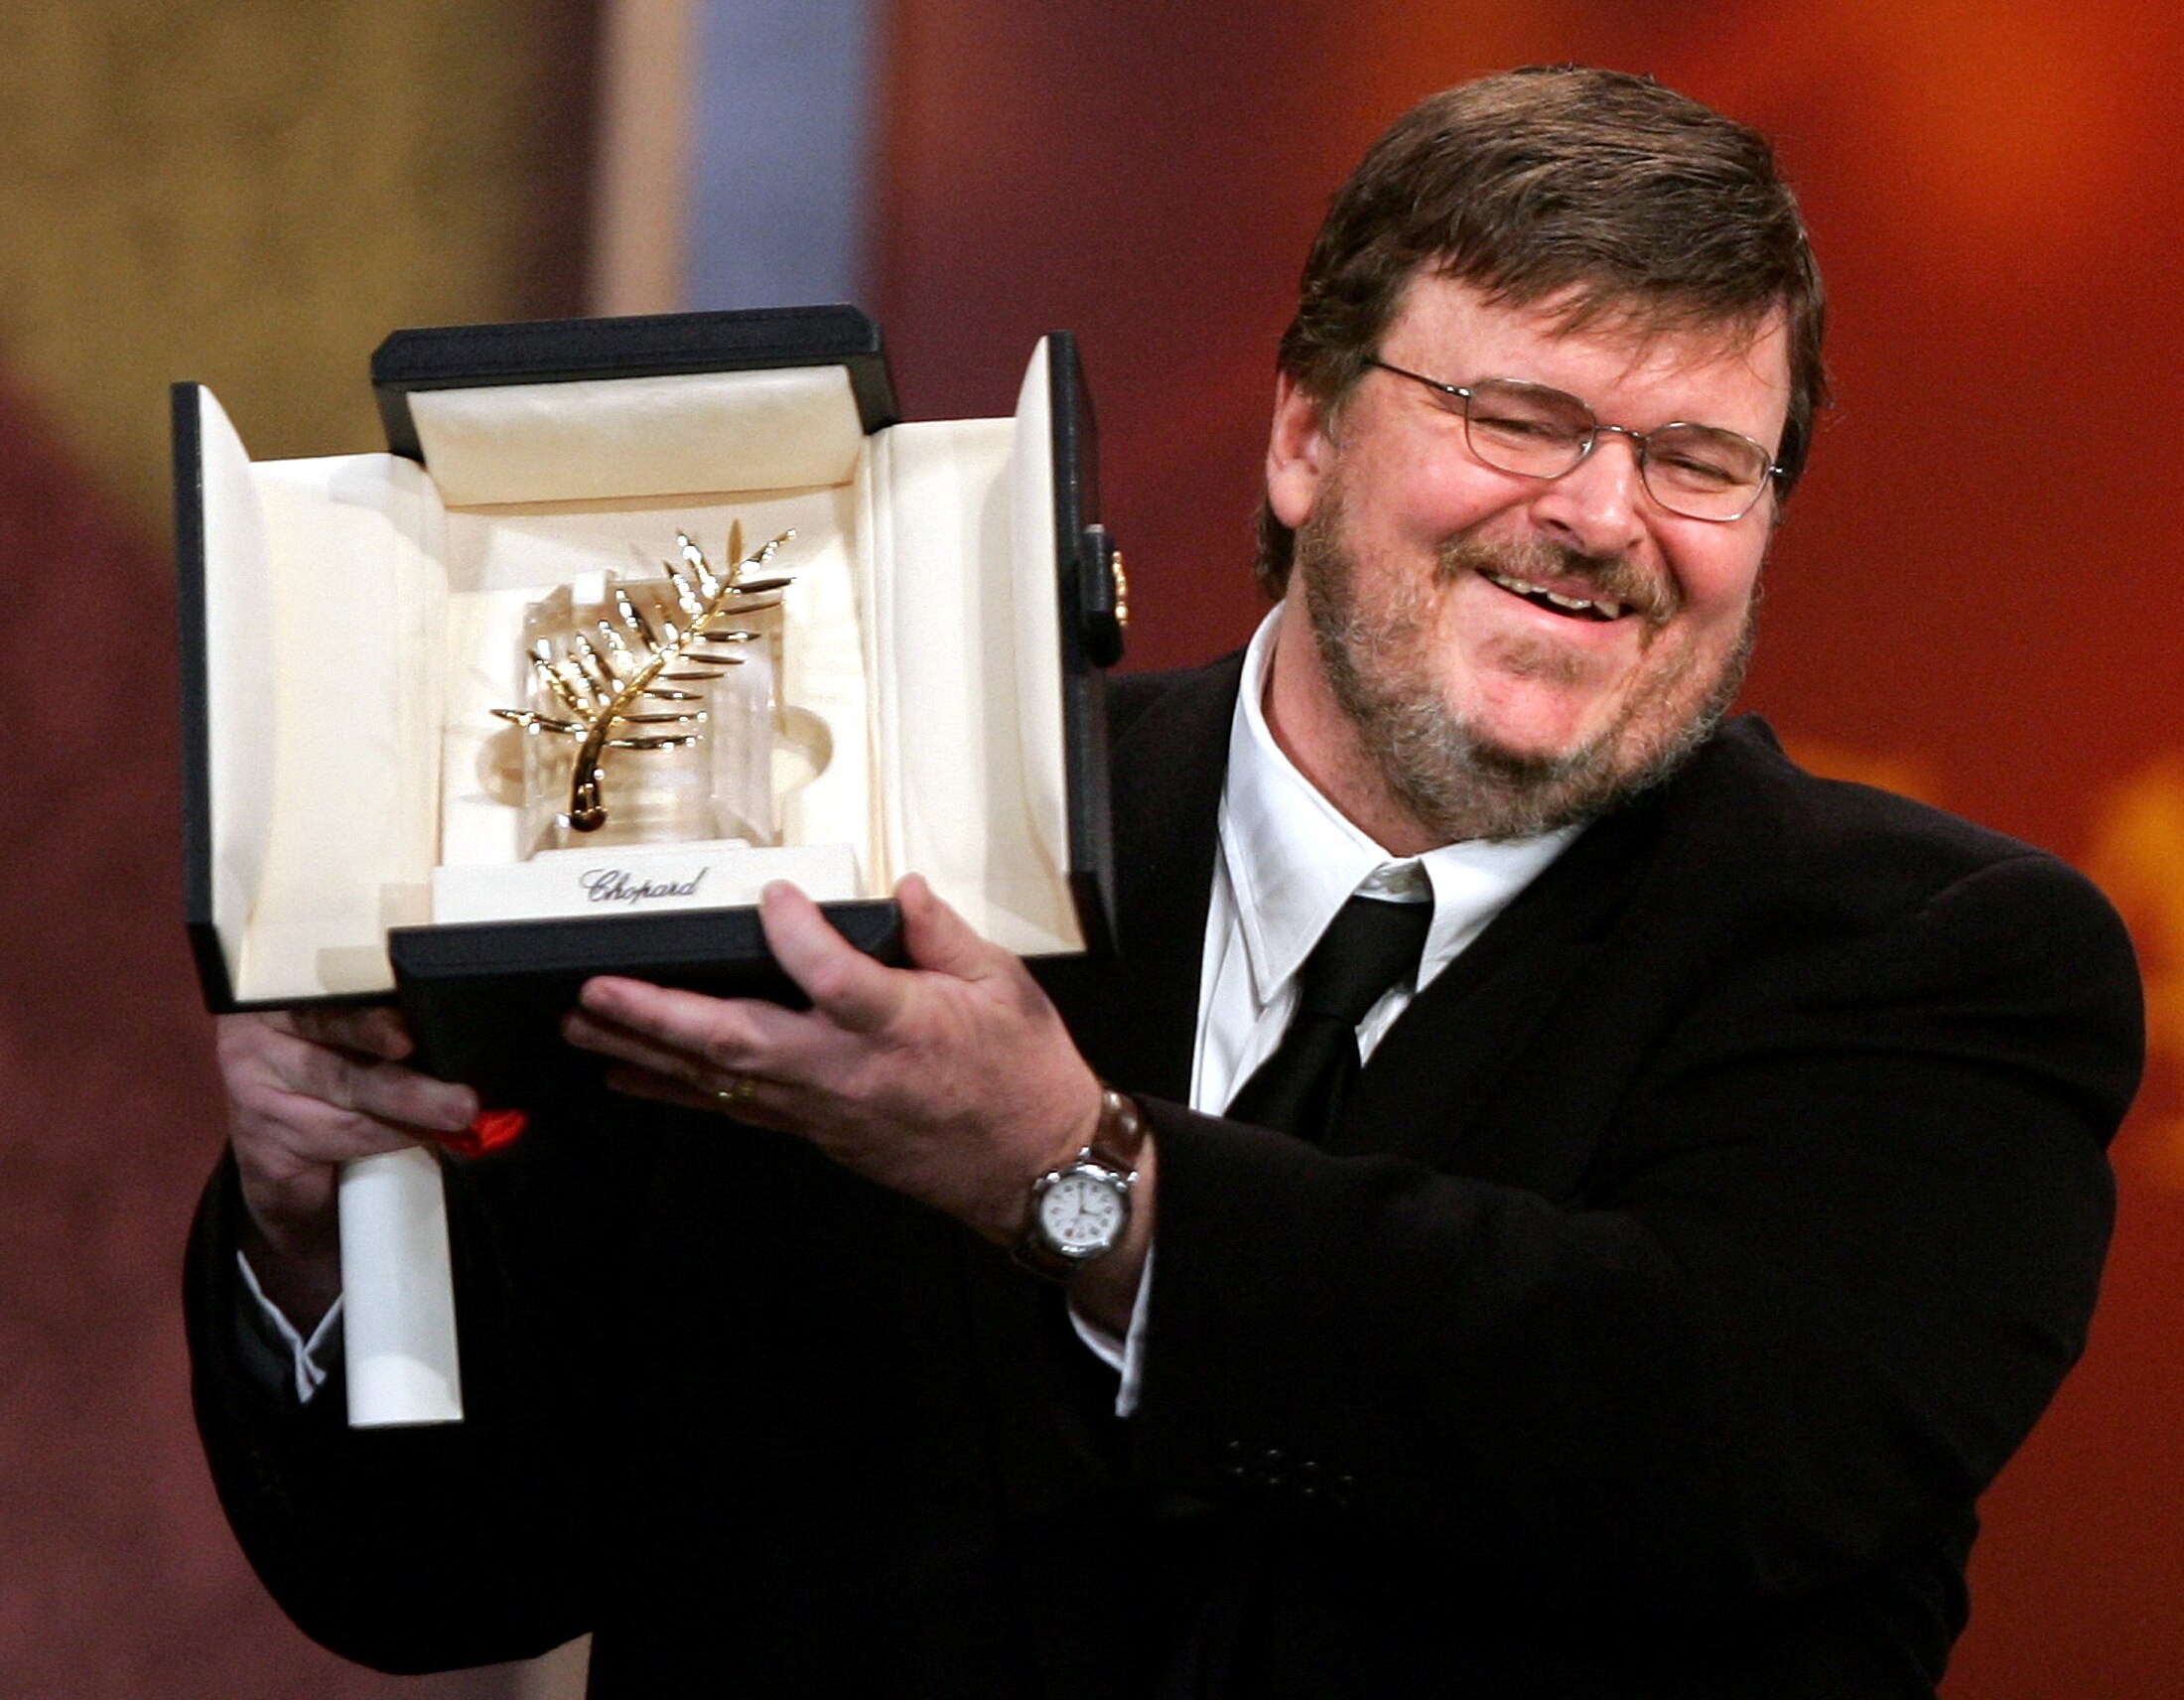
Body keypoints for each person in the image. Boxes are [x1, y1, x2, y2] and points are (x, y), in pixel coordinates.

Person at [189, 67, 2142, 1699]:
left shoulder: (1937, 962)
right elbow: (436, 1575)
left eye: (1698, 459)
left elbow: (1700, 1441)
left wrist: (1077, 1181)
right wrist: (316, 1233)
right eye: (1518, 419)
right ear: (1301, 434)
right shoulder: (869, 834)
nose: (1601, 519)